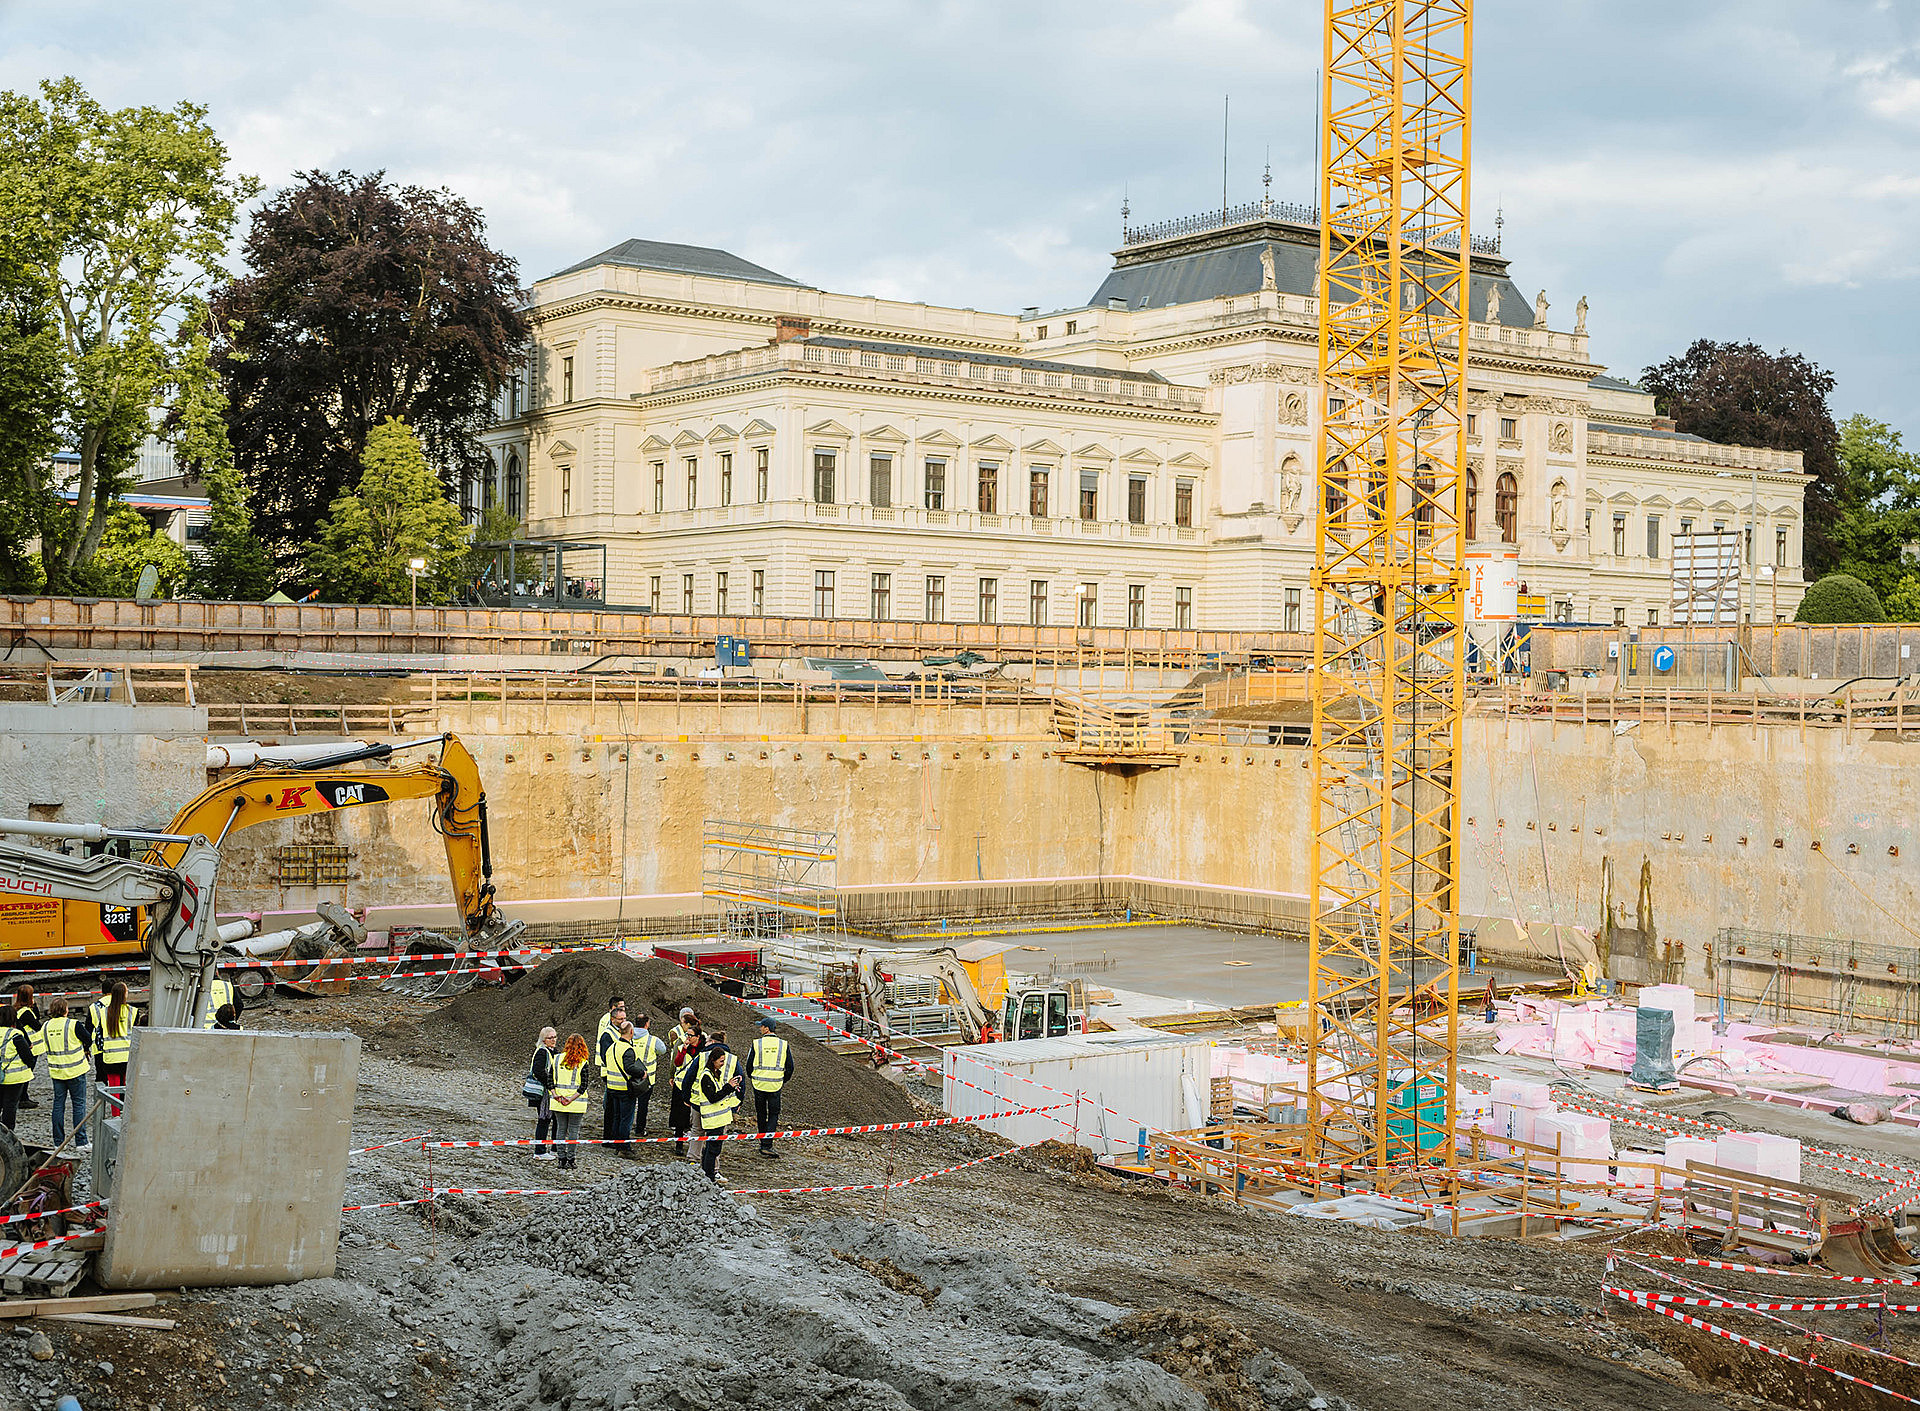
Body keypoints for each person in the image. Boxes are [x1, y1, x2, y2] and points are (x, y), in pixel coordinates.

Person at [692, 1029, 743, 1183]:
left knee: (712, 1149)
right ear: (713, 1060)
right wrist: (728, 1087)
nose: (723, 1064)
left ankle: (708, 1175)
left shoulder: (714, 1074)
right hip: (713, 1119)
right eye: (721, 1061)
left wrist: (732, 1091)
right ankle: (709, 1176)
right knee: (712, 1149)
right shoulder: (706, 1076)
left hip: (718, 1118)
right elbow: (714, 1097)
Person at [41, 998, 91, 1148]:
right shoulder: (73, 1024)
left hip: (57, 1072)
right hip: (76, 1070)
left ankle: (58, 1142)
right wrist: (85, 1048)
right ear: (66, 1010)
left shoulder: (46, 1026)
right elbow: (88, 1039)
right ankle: (81, 1141)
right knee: (79, 1105)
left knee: (58, 1105)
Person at [747, 1015, 795, 1159]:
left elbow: (749, 1065)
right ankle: (767, 1144)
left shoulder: (756, 1044)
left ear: (766, 1028)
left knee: (761, 1113)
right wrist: (782, 1079)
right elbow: (790, 1067)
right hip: (775, 1085)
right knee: (774, 1114)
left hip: (759, 1084)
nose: (760, 1028)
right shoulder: (783, 1044)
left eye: (761, 1026)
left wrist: (753, 1077)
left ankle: (763, 1142)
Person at [549, 1033, 592, 1172]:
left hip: (558, 1101)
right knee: (574, 1130)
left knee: (561, 1129)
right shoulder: (583, 1062)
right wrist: (571, 1099)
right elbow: (583, 1085)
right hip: (576, 1103)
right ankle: (571, 1159)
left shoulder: (556, 1059)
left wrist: (556, 1095)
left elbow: (550, 1080)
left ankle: (561, 1159)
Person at [669, 1010, 704, 1158]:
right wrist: (683, 1050)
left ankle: (696, 1146)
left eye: (690, 1036)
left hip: (696, 1087)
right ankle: (679, 1144)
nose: (687, 1037)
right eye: (687, 1035)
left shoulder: (703, 1049)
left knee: (694, 1118)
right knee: (680, 1116)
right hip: (681, 1084)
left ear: (698, 1037)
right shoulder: (681, 1045)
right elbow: (676, 1063)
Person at [600, 1018, 637, 1157]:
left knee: (616, 1117)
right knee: (625, 1120)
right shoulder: (627, 1049)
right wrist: (642, 1073)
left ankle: (615, 1143)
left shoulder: (612, 1047)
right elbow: (629, 1068)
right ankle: (624, 1147)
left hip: (612, 1088)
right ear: (631, 1032)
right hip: (625, 1089)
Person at [93, 982, 133, 1107]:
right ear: (124, 994)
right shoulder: (132, 1011)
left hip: (110, 1058)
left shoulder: (103, 1012)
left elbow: (98, 1034)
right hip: (128, 1057)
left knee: (114, 1089)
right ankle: (126, 1115)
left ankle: (115, 1115)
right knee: (128, 1088)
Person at [596, 998, 628, 1143]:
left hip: (618, 1076)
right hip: (610, 1075)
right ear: (613, 1019)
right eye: (620, 1019)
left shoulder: (619, 1032)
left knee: (616, 1110)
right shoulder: (608, 1034)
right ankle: (609, 1137)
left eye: (625, 1018)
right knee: (611, 1109)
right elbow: (606, 1056)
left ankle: (613, 1136)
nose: (623, 1021)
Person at [0, 1006, 34, 1130]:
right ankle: (7, 1134)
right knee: (10, 1106)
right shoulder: (15, 1035)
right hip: (14, 1078)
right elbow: (28, 1057)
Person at [631, 1013, 664, 1137]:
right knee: (643, 1106)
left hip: (629, 1077)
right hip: (647, 1080)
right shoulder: (652, 1040)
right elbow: (662, 1050)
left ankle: (627, 1127)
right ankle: (639, 1129)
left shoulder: (628, 1037)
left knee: (629, 1104)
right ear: (647, 1024)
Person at [527, 1027, 558, 1160]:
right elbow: (539, 1071)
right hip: (543, 1093)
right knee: (544, 1120)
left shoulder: (551, 1051)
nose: (553, 1040)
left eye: (555, 1037)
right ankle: (540, 1151)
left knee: (552, 1119)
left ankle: (553, 1148)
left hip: (547, 1091)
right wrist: (550, 1085)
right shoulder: (542, 1052)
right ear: (544, 1040)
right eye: (550, 1038)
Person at [10, 984, 40, 1110]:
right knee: (27, 1073)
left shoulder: (17, 1009)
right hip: (31, 1046)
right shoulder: (26, 1013)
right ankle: (23, 1098)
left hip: (25, 1044)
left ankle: (22, 1097)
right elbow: (38, 1025)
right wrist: (35, 1006)